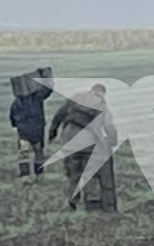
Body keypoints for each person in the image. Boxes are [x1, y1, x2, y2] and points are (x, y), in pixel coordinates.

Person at [48, 82, 119, 211]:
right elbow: (109, 125)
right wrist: (112, 142)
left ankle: (72, 200)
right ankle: (91, 202)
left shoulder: (76, 97)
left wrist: (52, 132)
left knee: (73, 171)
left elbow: (59, 114)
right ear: (102, 93)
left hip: (68, 138)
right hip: (87, 141)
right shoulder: (101, 103)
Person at [8, 68, 53, 179]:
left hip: (23, 132)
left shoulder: (16, 103)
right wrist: (45, 75)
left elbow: (12, 119)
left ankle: (25, 176)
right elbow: (48, 89)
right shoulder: (37, 98)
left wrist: (16, 126)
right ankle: (39, 174)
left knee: (23, 154)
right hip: (37, 131)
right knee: (39, 153)